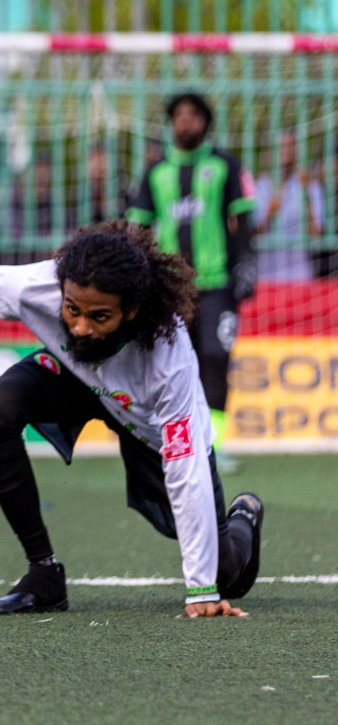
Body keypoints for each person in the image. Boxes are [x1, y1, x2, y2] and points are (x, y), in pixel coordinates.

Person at [0, 222, 264, 619]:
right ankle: (43, 575)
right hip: (75, 376)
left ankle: (243, 513)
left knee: (225, 574)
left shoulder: (168, 357)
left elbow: (184, 465)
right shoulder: (41, 284)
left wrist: (200, 589)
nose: (80, 327)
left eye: (100, 317)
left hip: (145, 426)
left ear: (131, 310)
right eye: (71, 310)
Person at [126, 94, 256, 470]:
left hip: (217, 284)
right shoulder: (156, 172)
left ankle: (215, 445)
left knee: (215, 358)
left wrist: (247, 263)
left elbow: (242, 220)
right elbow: (138, 227)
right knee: (170, 365)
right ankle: (166, 440)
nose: (186, 122)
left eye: (193, 115)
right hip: (171, 287)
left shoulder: (225, 165)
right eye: (179, 115)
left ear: (206, 122)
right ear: (171, 123)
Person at [254, 131, 325, 283]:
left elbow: (317, 236)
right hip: (266, 277)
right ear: (269, 153)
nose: (287, 150)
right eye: (281, 146)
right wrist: (268, 214)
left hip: (300, 276)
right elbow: (250, 236)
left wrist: (306, 195)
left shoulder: (310, 186)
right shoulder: (257, 188)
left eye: (291, 146)